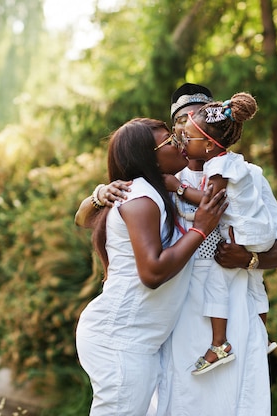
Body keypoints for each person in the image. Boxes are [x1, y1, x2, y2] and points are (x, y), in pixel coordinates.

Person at [75, 83, 277, 415]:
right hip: (173, 313)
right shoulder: (161, 182)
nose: (185, 126)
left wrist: (249, 259)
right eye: (180, 120)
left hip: (229, 305)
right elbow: (96, 218)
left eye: (197, 116)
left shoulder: (243, 176)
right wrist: (99, 195)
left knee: (233, 399)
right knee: (176, 400)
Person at [75, 117, 228, 415]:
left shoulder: (160, 193)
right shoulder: (141, 197)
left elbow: (86, 220)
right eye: (169, 141)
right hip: (120, 339)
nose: (179, 143)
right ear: (149, 156)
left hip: (139, 341)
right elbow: (152, 273)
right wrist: (200, 229)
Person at [170, 92, 277, 375]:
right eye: (179, 123)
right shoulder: (231, 161)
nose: (182, 135)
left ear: (207, 143)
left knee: (217, 280)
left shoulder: (219, 169)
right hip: (256, 231)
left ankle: (219, 344)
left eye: (189, 131)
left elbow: (208, 204)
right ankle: (263, 333)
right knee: (256, 283)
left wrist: (177, 188)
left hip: (244, 235)